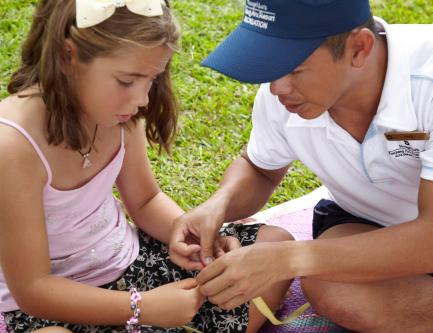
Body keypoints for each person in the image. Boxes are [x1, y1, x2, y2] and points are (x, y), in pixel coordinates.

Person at [169, 0, 433, 332]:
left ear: (359, 47)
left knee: (325, 270)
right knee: (328, 285)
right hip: (364, 222)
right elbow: (260, 169)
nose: (276, 87)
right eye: (271, 64)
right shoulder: (281, 95)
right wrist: (218, 204)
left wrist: (287, 259)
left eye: (295, 68)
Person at [0, 0, 293, 332]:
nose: (142, 99)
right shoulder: (12, 145)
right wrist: (143, 308)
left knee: (274, 249)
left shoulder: (118, 114)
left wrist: (195, 241)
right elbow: (33, 288)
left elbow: (144, 201)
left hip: (131, 267)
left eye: (151, 80)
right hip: (53, 305)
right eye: (127, 81)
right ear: (69, 56)